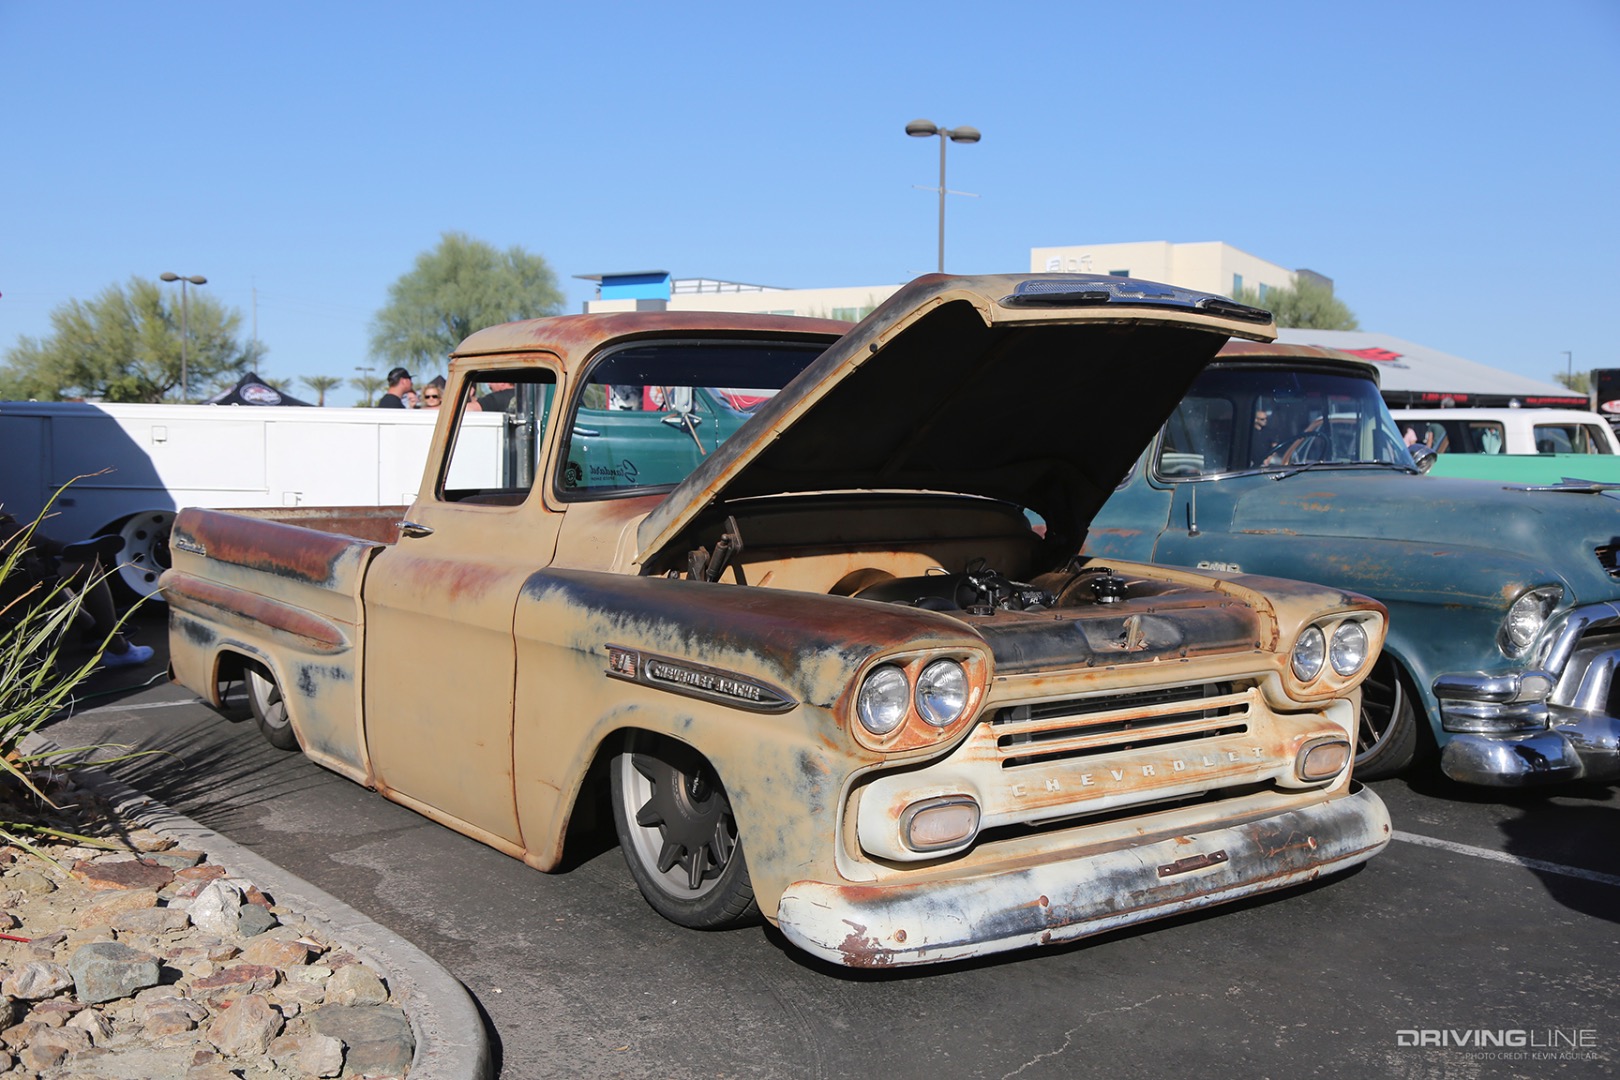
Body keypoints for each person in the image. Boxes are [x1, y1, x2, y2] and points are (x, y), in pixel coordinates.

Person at [0, 512, 153, 668]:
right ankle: (116, 646)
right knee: (88, 566)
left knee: (51, 578)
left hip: (18, 585)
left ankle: (94, 628)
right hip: (16, 589)